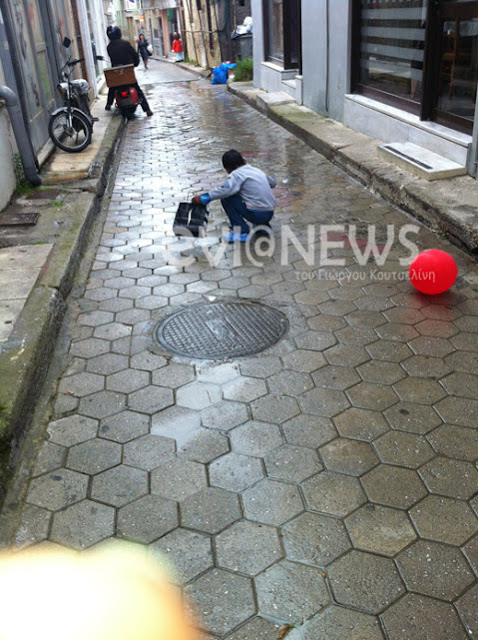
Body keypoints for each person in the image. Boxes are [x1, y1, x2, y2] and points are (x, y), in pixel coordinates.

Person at [192, 150, 276, 243]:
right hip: (269, 212)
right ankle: (263, 227)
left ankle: (241, 232)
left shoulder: (236, 175)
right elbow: (273, 183)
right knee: (247, 196)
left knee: (227, 199)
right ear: (244, 161)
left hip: (256, 214)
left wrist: (205, 198)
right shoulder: (256, 170)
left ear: (227, 169)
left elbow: (225, 190)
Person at [105, 26, 153, 116]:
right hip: (127, 72)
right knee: (138, 90)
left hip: (116, 72)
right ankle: (147, 110)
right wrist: (135, 63)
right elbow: (135, 55)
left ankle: (108, 104)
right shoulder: (125, 44)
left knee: (112, 86)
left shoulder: (109, 47)